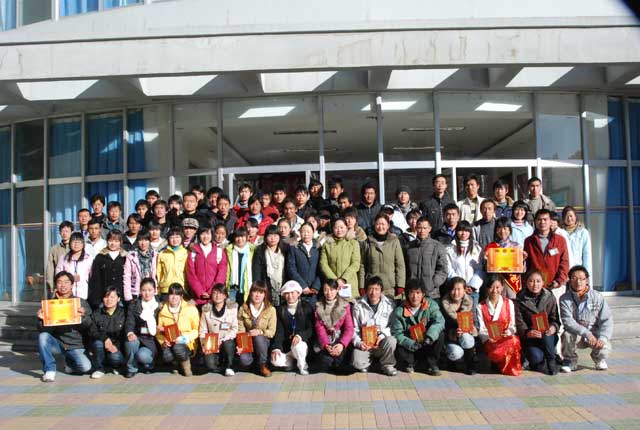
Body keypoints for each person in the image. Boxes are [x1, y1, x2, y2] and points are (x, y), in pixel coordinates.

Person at [38, 271, 93, 382]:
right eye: (59, 282)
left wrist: (83, 316)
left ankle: (69, 362)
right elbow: (42, 329)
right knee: (43, 336)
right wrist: (41, 319)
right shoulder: (50, 304)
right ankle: (49, 370)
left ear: (72, 284)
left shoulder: (80, 302)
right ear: (56, 285)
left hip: (75, 344)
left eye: (66, 282)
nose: (63, 285)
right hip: (58, 344)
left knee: (85, 367)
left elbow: (89, 325)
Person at [559, 265, 613, 372]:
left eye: (581, 279)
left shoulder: (597, 297)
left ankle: (598, 359)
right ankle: (570, 361)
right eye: (574, 278)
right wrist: (586, 333)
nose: (578, 282)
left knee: (605, 346)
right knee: (566, 335)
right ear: (570, 280)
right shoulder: (564, 299)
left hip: (595, 334)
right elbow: (568, 321)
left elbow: (607, 320)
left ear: (587, 280)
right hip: (578, 335)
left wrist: (602, 338)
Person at [391, 278, 445, 375]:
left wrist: (430, 336)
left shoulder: (431, 305)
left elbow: (439, 321)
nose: (415, 296)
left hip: (427, 342)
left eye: (418, 293)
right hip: (411, 346)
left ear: (423, 294)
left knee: (440, 335)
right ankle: (410, 363)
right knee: (398, 344)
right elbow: (397, 333)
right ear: (407, 294)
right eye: (411, 292)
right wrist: (411, 343)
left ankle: (432, 364)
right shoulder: (399, 311)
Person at [515, 270, 560, 375]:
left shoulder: (550, 297)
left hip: (548, 335)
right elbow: (519, 322)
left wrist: (553, 327)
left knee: (547, 333)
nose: (535, 284)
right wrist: (527, 332)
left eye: (538, 281)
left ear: (543, 282)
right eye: (531, 281)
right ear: (526, 282)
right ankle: (543, 360)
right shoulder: (520, 299)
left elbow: (555, 318)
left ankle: (551, 360)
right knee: (536, 357)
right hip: (531, 337)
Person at [351, 276, 398, 376]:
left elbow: (392, 326)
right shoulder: (358, 306)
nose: (373, 292)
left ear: (381, 290)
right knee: (357, 363)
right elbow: (354, 329)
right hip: (366, 344)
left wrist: (382, 335)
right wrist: (359, 343)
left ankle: (387, 365)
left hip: (381, 343)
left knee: (391, 341)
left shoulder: (389, 304)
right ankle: (368, 363)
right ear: (366, 291)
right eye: (370, 289)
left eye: (376, 289)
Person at [477, 275, 522, 376]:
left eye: (497, 287)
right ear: (487, 288)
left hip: (506, 338)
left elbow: (513, 324)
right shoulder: (481, 306)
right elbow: (481, 328)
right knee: (509, 343)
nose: (494, 290)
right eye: (491, 287)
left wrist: (508, 332)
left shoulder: (509, 303)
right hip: (490, 340)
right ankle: (499, 363)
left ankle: (506, 366)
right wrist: (488, 337)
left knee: (513, 340)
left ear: (502, 288)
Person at [523, 209, 569, 299]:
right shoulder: (529, 241)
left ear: (550, 221)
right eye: (539, 220)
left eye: (545, 219)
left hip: (555, 285)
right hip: (535, 286)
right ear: (535, 222)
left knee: (554, 308)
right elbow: (527, 265)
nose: (542, 222)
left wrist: (559, 281)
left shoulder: (560, 240)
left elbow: (564, 262)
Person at [270, 280, 314, 375]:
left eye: (292, 293)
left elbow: (311, 329)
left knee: (299, 347)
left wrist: (300, 336)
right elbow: (279, 332)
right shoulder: (280, 309)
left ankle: (303, 366)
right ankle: (290, 363)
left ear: (298, 293)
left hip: (301, 345)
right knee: (275, 360)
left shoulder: (306, 307)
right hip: (287, 346)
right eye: (287, 293)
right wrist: (277, 348)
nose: (290, 296)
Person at [156, 284, 199, 377]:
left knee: (178, 347)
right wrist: (163, 342)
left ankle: (186, 366)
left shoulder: (191, 309)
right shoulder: (162, 311)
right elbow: (158, 332)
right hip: (170, 342)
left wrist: (185, 337)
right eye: (171, 294)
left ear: (181, 296)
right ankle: (176, 364)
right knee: (166, 356)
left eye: (177, 294)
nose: (174, 297)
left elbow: (196, 330)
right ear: (168, 296)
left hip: (187, 342)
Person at [359, 214, 405, 300]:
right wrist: (361, 286)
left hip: (390, 288)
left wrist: (400, 285)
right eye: (378, 224)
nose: (380, 227)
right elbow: (362, 265)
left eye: (383, 224)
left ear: (388, 226)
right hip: (372, 288)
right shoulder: (367, 242)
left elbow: (400, 265)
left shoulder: (394, 241)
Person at [237, 281, 277, 377]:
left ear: (265, 294)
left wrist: (260, 332)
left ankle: (263, 365)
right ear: (250, 293)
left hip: (263, 341)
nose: (257, 295)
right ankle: (253, 365)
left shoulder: (270, 309)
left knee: (259, 338)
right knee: (244, 360)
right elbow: (240, 329)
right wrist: (241, 343)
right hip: (247, 340)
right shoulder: (243, 308)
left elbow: (272, 332)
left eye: (261, 292)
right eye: (255, 291)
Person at [314, 279, 354, 374]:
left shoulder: (345, 305)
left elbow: (349, 328)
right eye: (326, 290)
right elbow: (319, 328)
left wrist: (341, 344)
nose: (329, 293)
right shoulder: (318, 306)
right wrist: (326, 345)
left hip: (340, 339)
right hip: (326, 340)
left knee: (341, 359)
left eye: (332, 290)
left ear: (337, 290)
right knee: (324, 363)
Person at [439, 277, 477, 375]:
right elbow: (441, 328)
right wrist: (453, 333)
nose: (456, 293)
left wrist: (470, 329)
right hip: (449, 338)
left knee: (466, 337)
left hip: (466, 336)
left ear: (464, 290)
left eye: (459, 289)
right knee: (456, 352)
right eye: (453, 289)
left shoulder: (470, 302)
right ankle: (450, 362)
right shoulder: (443, 304)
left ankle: (470, 364)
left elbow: (475, 322)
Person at [199, 283, 238, 376]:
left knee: (228, 344)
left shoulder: (232, 309)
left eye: (220, 293)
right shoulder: (206, 310)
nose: (217, 296)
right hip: (212, 342)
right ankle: (220, 366)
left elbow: (235, 328)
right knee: (210, 365)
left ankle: (229, 366)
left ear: (225, 295)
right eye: (215, 293)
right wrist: (204, 343)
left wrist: (223, 339)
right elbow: (203, 330)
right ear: (211, 295)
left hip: (227, 340)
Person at [124, 278, 160, 378]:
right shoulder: (134, 304)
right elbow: (130, 321)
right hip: (138, 335)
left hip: (152, 339)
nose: (147, 293)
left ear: (154, 290)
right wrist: (130, 333)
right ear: (140, 291)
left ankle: (150, 365)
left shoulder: (159, 305)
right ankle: (131, 368)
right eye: (144, 290)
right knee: (130, 342)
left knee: (142, 356)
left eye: (150, 290)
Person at [406, 217, 448, 299]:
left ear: (430, 229)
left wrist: (432, 284)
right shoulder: (409, 247)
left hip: (431, 293)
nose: (422, 231)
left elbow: (442, 270)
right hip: (413, 293)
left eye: (425, 228)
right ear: (416, 228)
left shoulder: (437, 246)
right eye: (419, 228)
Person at [89, 287, 126, 379]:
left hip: (116, 346)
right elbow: (93, 331)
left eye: (112, 297)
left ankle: (115, 366)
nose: (109, 300)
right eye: (106, 297)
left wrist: (116, 346)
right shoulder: (96, 313)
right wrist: (105, 339)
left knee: (115, 357)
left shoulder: (124, 313)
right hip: (102, 345)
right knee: (97, 343)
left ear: (118, 299)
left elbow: (125, 333)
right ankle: (100, 369)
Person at [186, 226, 228, 307]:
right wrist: (200, 291)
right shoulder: (193, 252)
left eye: (208, 234)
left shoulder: (219, 251)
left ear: (212, 235)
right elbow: (191, 275)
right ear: (199, 236)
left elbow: (221, 274)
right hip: (197, 296)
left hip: (215, 296)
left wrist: (212, 291)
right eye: (202, 234)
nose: (205, 237)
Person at [483, 217, 524, 299]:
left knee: (511, 303)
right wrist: (485, 260)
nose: (502, 231)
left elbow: (521, 268)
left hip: (511, 281)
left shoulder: (516, 246)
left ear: (510, 230)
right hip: (495, 282)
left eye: (505, 228)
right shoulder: (490, 247)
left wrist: (523, 259)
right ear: (496, 230)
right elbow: (485, 269)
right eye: (499, 228)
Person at [320, 218, 361, 299]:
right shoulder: (327, 244)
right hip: (332, 285)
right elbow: (323, 264)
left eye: (342, 227)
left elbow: (356, 263)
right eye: (336, 228)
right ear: (332, 229)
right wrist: (335, 280)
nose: (339, 230)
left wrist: (343, 279)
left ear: (346, 228)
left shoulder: (353, 243)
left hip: (349, 283)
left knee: (349, 305)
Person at [446, 222, 484, 307]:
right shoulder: (449, 249)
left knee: (472, 314)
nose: (463, 233)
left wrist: (472, 286)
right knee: (457, 314)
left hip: (472, 290)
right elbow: (448, 269)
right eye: (461, 230)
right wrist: (460, 285)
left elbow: (480, 269)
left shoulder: (477, 248)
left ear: (470, 232)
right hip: (456, 290)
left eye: (466, 231)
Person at [88, 230, 127, 310]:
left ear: (120, 242)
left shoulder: (125, 257)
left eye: (116, 241)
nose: (113, 243)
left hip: (121, 297)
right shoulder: (100, 257)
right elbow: (95, 278)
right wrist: (96, 299)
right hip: (104, 296)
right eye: (110, 240)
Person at [252, 225, 290, 306]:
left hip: (283, 286)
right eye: (270, 236)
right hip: (267, 287)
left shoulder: (286, 250)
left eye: (275, 235)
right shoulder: (260, 251)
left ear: (279, 237)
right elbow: (257, 272)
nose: (273, 238)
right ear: (266, 237)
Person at [286, 223, 321, 307]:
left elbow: (321, 269)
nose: (306, 234)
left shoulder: (318, 248)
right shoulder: (294, 247)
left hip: (314, 291)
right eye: (303, 232)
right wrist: (303, 285)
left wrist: (316, 286)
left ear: (313, 232)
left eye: (308, 232)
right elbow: (291, 268)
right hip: (299, 289)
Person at [55, 232, 93, 300]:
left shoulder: (89, 259)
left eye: (79, 242)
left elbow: (93, 277)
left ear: (83, 244)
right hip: (66, 294)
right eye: (74, 241)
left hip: (84, 294)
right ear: (70, 243)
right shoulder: (63, 258)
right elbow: (58, 275)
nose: (76, 244)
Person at [123, 231, 158, 303]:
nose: (143, 243)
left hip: (151, 291)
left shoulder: (154, 255)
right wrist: (128, 296)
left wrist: (156, 291)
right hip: (136, 292)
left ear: (149, 241)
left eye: (146, 240)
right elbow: (127, 276)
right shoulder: (131, 256)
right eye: (141, 240)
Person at [225, 227, 255, 305]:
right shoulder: (228, 250)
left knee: (244, 309)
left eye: (242, 236)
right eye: (237, 237)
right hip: (232, 287)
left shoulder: (253, 250)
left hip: (246, 286)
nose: (240, 239)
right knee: (231, 309)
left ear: (247, 237)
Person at [157, 228, 188, 300]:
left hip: (181, 288)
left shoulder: (186, 253)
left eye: (177, 237)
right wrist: (159, 287)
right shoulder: (162, 253)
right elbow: (159, 272)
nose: (175, 240)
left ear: (182, 238)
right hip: (166, 288)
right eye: (172, 237)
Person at [562, 206, 593, 274]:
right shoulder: (559, 232)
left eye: (571, 216)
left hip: (578, 270)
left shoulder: (583, 232)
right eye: (566, 216)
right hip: (563, 271)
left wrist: (587, 273)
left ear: (575, 217)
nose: (569, 219)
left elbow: (587, 254)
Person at [46, 221, 73, 294]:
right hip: (59, 286)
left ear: (71, 232)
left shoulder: (76, 247)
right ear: (60, 233)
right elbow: (50, 268)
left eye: (67, 231)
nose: (64, 234)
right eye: (62, 231)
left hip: (74, 286)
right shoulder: (54, 249)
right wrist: (51, 285)